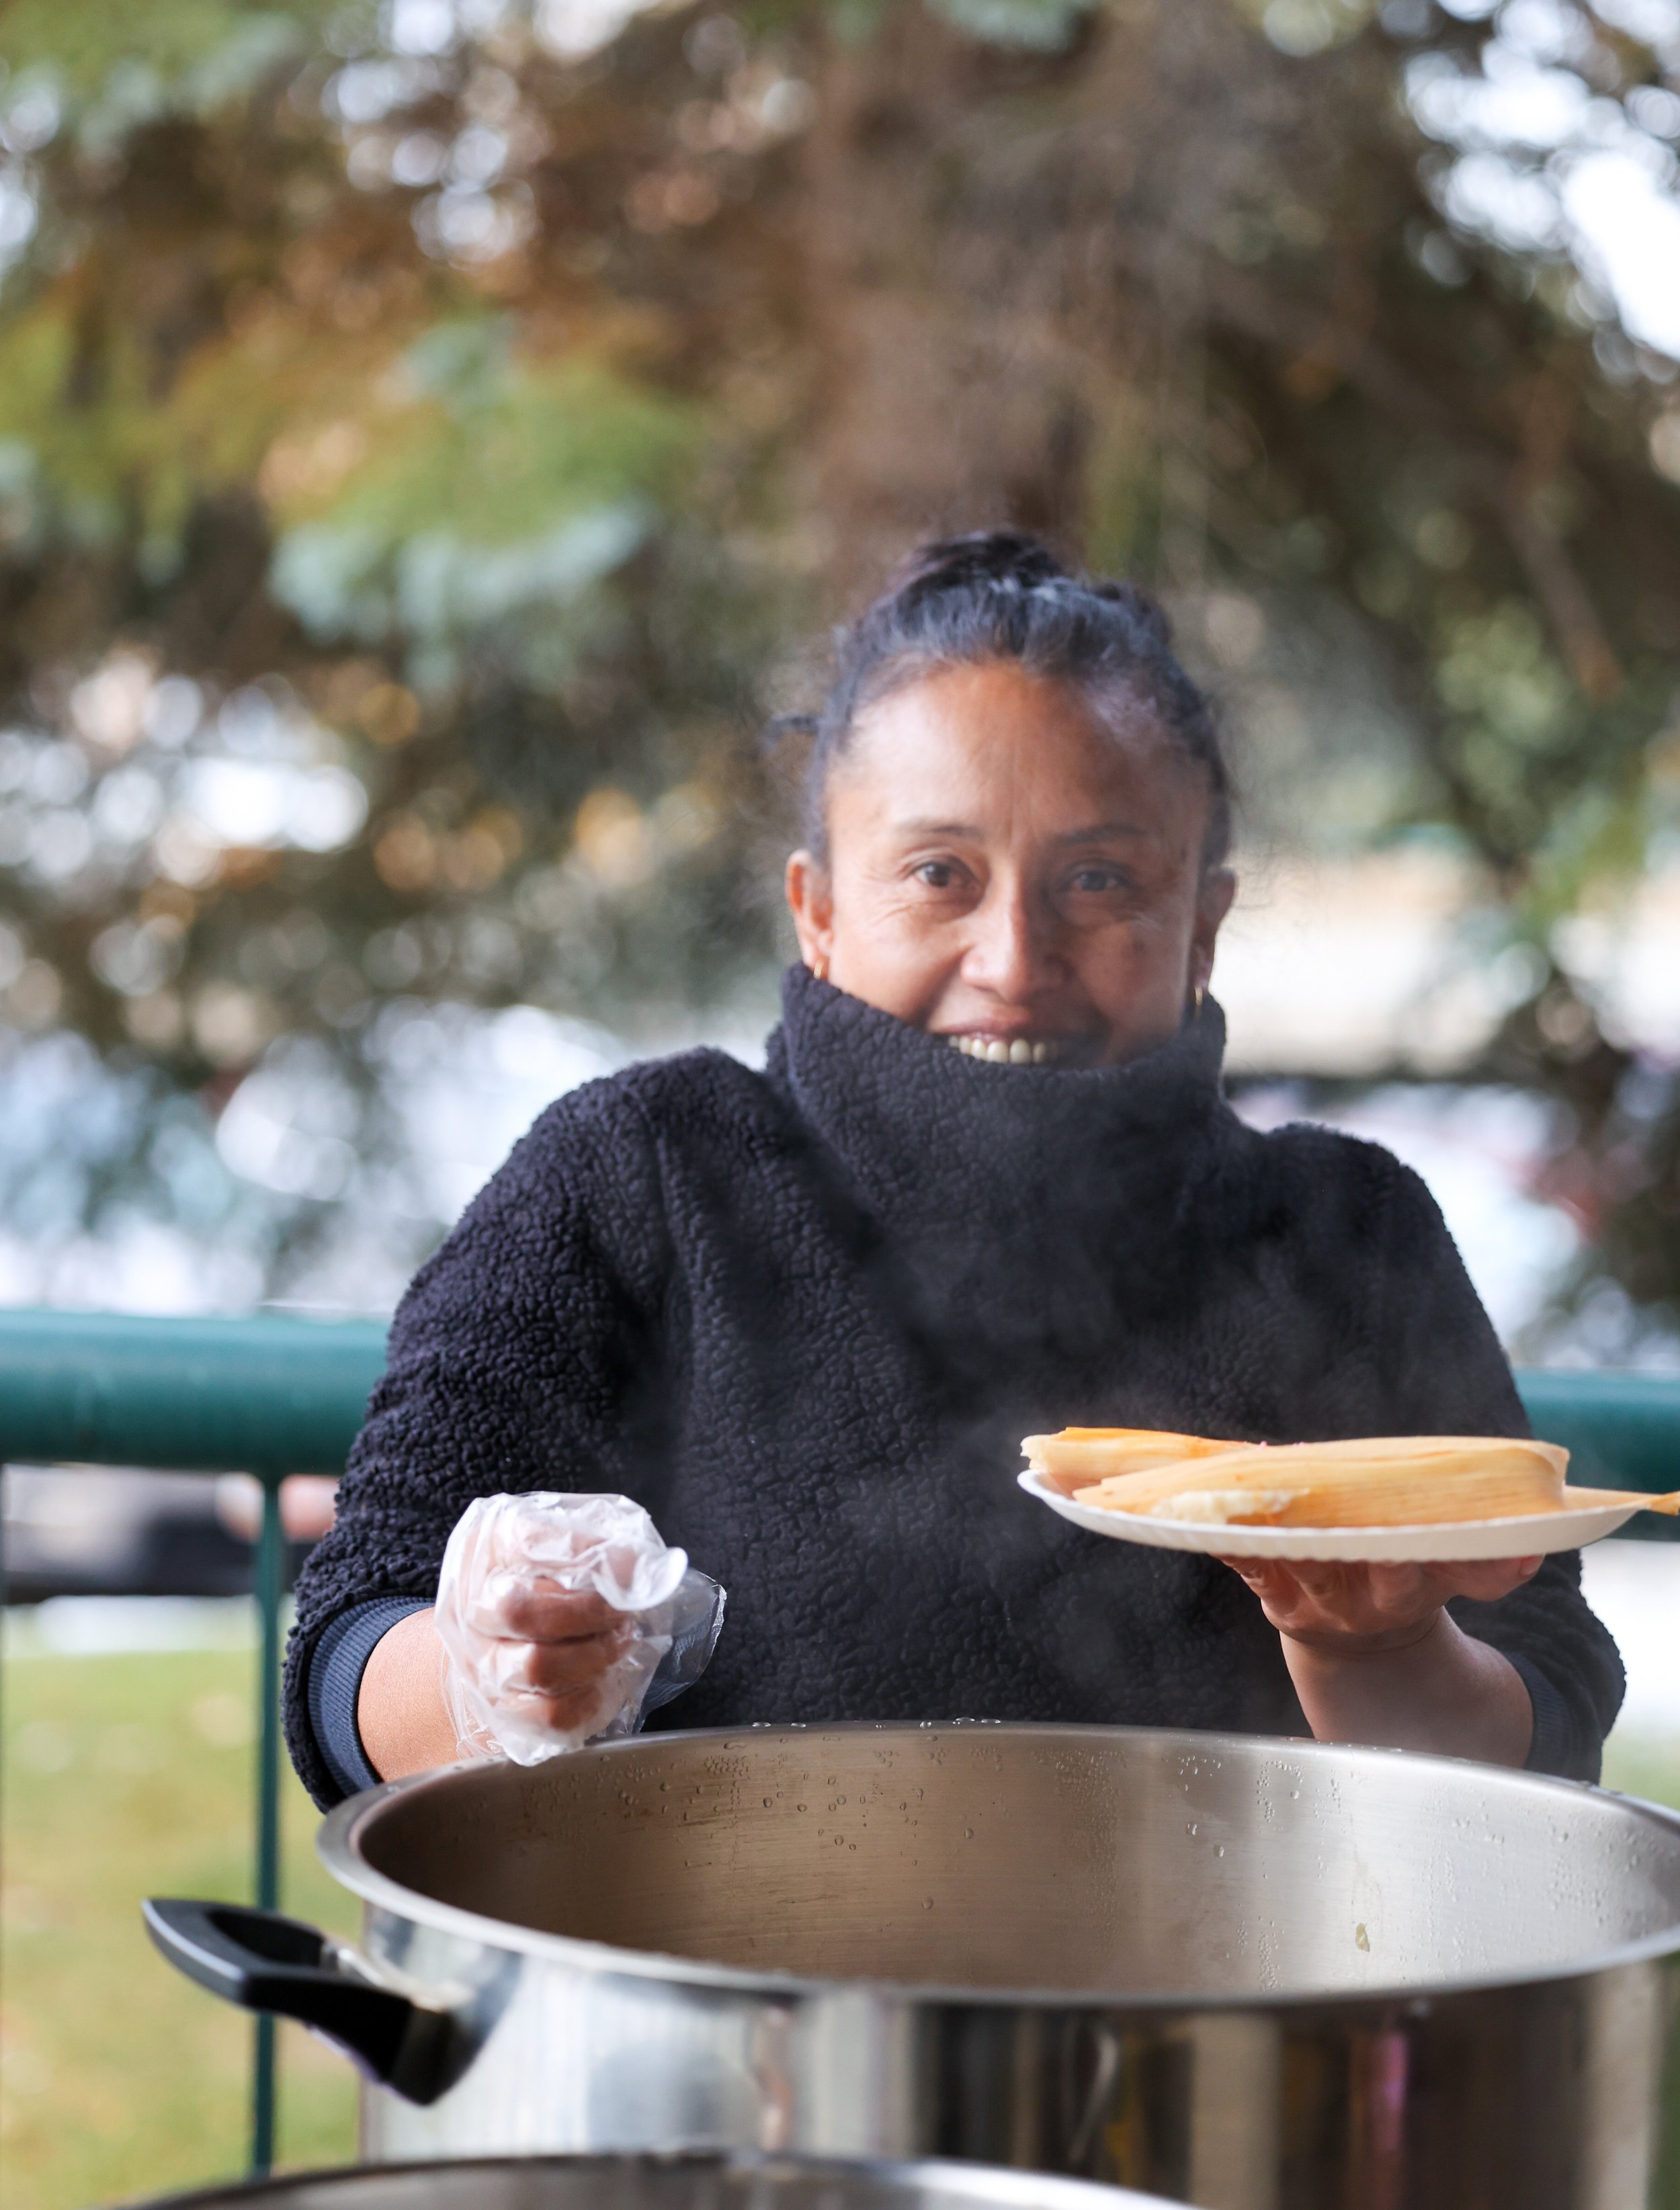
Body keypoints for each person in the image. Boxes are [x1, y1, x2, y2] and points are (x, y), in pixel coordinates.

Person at [284, 533, 1623, 1806]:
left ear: (1200, 927)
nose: (1014, 960)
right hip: (718, 2025)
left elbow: (1544, 1721)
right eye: (938, 874)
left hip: (1223, 2026)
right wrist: (490, 1668)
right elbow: (350, 1644)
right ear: (815, 912)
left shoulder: (1345, 1233)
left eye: (1097, 882)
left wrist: (1375, 1649)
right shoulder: (638, 1171)